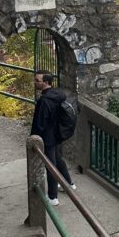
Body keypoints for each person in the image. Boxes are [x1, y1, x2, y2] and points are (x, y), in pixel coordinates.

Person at [31, 69, 76, 206]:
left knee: (50, 166)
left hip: (48, 137)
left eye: (37, 80)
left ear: (46, 82)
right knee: (57, 159)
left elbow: (40, 123)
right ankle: (68, 184)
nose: (35, 82)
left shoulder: (44, 101)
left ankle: (52, 197)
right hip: (57, 134)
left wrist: (33, 139)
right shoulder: (59, 94)